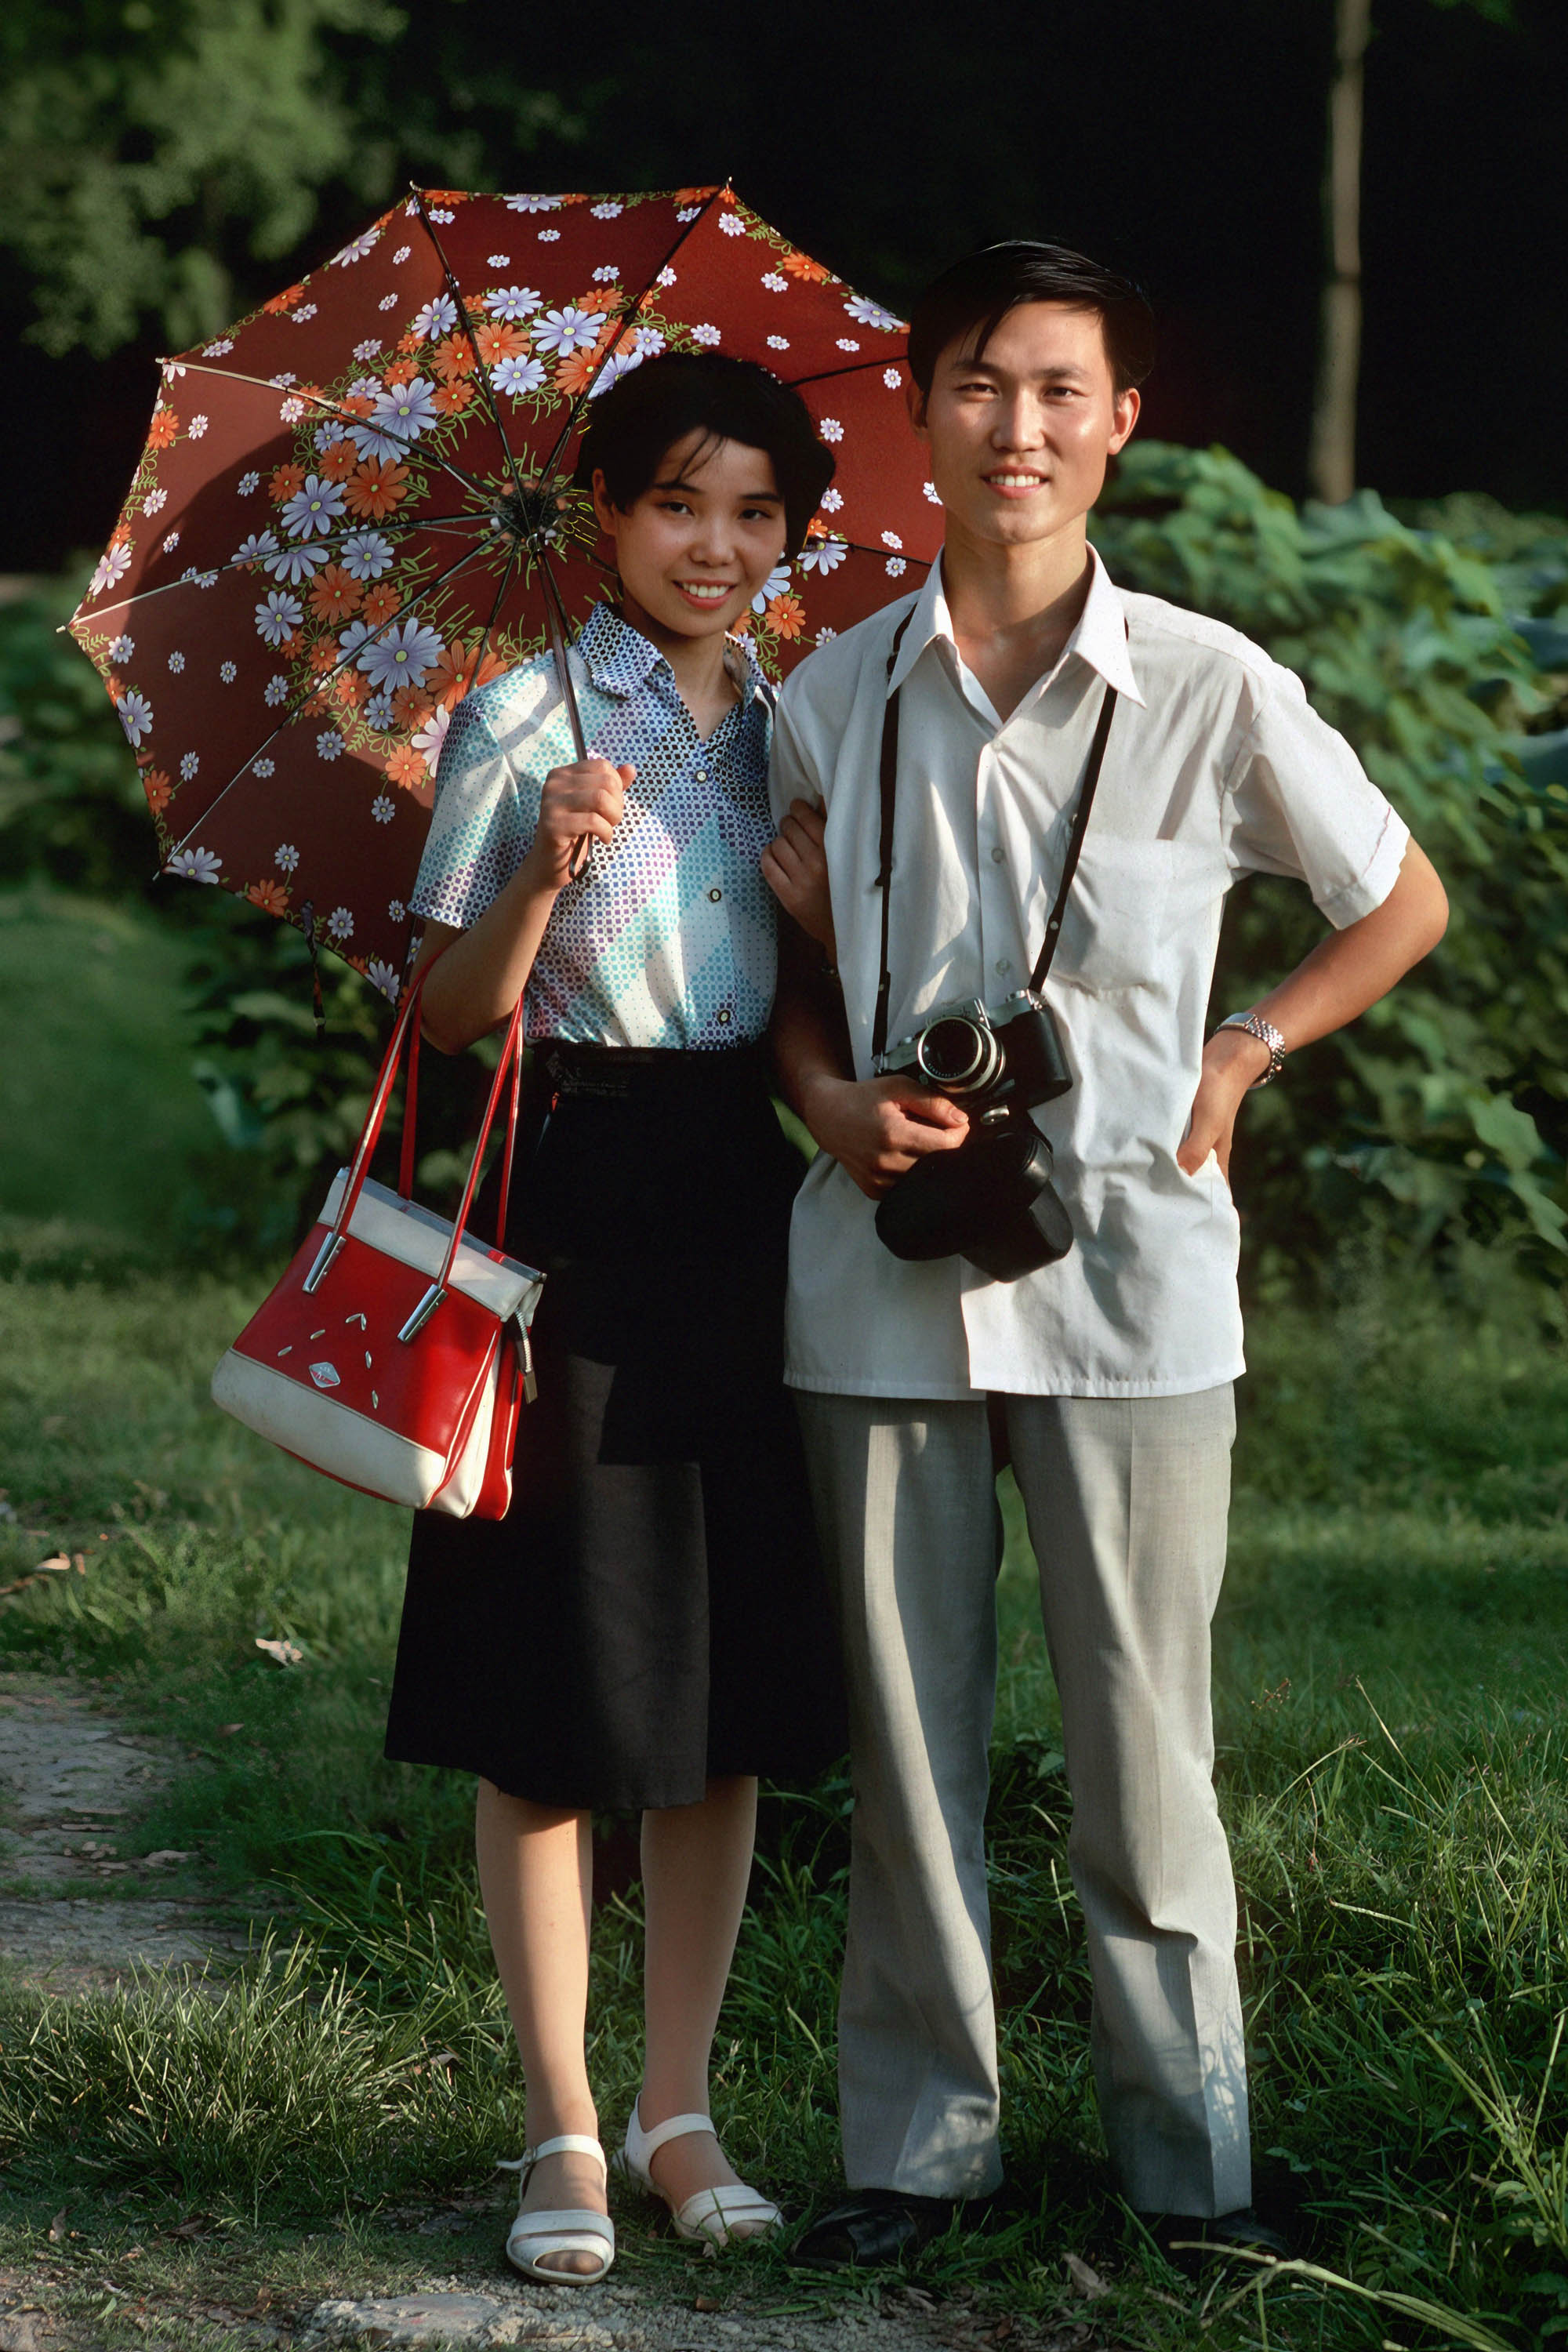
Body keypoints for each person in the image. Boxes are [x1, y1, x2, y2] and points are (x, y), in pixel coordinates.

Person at [764, 242, 1450, 2267]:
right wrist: (823, 1102)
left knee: (1152, 1761)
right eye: (981, 384)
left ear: (1124, 422)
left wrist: (1244, 1047)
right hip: (875, 1279)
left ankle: (1192, 2169)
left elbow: (1396, 903)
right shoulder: (831, 694)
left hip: (1138, 1282)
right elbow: (788, 993)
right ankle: (916, 2154)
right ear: (923, 410)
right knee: (907, 1751)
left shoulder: (1214, 685)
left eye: (1063, 390)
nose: (1020, 428)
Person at [383, 352, 844, 2285]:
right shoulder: (521, 715)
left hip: (745, 1204)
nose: (717, 546)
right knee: (557, 1696)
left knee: (720, 1691)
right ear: (602, 511)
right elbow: (449, 1015)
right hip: (565, 1197)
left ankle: (682, 2110)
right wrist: (540, 863)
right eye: (678, 505)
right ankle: (560, 2126)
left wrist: (824, 917)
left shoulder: (807, 727)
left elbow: (829, 984)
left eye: (756, 514)